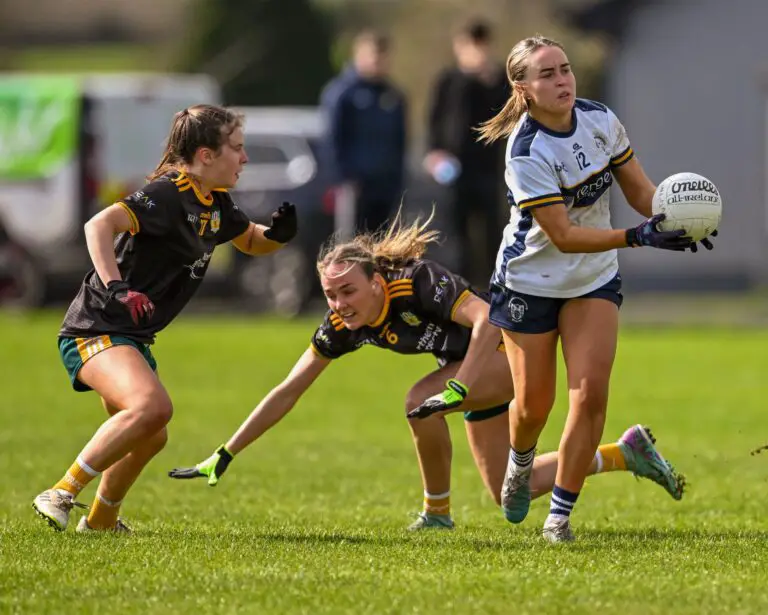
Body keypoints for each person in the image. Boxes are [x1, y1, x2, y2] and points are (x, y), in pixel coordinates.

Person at [168, 211, 684, 530]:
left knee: (418, 401)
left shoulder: (414, 282)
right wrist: (226, 453)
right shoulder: (341, 324)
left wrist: (458, 384)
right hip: (467, 376)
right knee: (509, 495)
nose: (339, 304)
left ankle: (436, 512)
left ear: (375, 281)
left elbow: (485, 318)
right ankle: (624, 454)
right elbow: (289, 389)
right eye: (330, 294)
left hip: (505, 354)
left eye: (348, 291)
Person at [476, 35, 716, 543]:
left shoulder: (600, 120)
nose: (562, 81)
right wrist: (636, 236)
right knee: (532, 407)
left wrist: (677, 218)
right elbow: (562, 236)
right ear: (522, 89)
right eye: (548, 74)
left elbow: (639, 190)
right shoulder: (526, 151)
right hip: (529, 282)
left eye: (565, 70)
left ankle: (558, 519)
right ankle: (521, 463)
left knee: (589, 396)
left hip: (593, 279)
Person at [31, 104, 298, 533]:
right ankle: (62, 490)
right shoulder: (168, 193)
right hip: (96, 326)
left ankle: (101, 521)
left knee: (152, 433)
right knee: (153, 407)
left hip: (131, 336)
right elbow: (98, 225)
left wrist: (278, 236)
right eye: (237, 149)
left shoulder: (216, 203)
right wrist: (117, 287)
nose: (244, 159)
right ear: (207, 156)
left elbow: (248, 239)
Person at [424, 18, 509, 286]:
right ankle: (456, 290)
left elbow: (504, 119)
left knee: (491, 234)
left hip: (486, 169)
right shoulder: (449, 80)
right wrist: (433, 153)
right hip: (452, 171)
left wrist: (487, 79)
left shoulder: (496, 82)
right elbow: (435, 120)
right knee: (453, 235)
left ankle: (495, 288)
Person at [319, 30, 407, 235]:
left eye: (381, 56)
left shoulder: (393, 96)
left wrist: (398, 179)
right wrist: (344, 177)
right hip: (354, 187)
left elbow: (400, 142)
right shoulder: (342, 93)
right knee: (352, 247)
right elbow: (332, 140)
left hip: (386, 187)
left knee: (384, 250)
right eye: (372, 55)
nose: (377, 61)